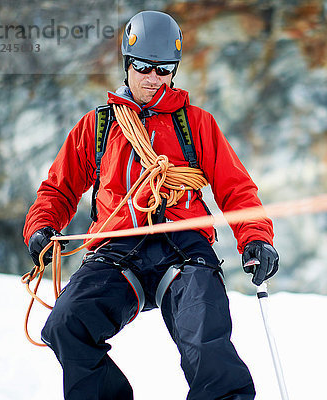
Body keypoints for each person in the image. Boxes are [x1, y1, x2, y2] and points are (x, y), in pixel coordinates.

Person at [23, 10, 279, 400]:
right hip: (117, 248)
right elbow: (58, 189)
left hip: (184, 247)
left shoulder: (196, 123)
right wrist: (41, 227)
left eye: (164, 69)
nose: (153, 78)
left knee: (206, 343)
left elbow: (237, 189)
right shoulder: (99, 126)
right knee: (66, 325)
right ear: (127, 64)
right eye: (143, 67)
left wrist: (255, 239)